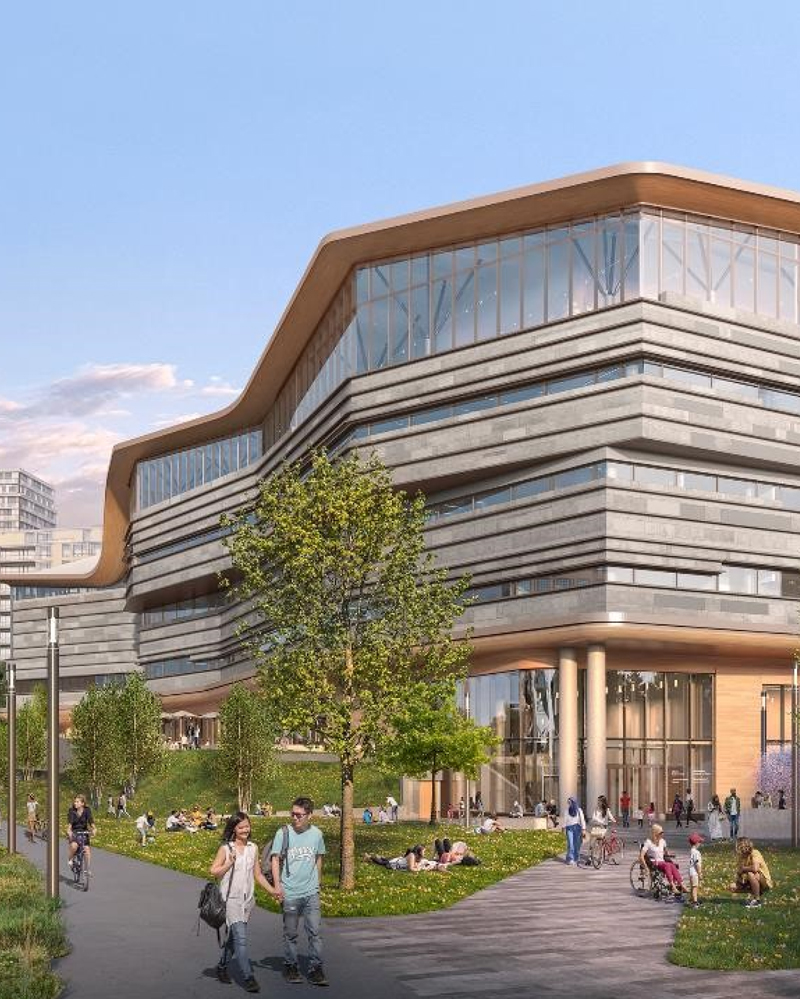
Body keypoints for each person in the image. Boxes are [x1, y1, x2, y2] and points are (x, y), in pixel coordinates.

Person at [211, 811, 280, 992]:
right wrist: (229, 863)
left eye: (247, 826)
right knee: (241, 939)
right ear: (234, 828)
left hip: (248, 901)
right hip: (231, 900)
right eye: (241, 827)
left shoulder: (253, 848)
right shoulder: (226, 849)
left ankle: (222, 967)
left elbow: (257, 875)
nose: (245, 830)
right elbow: (214, 871)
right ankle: (249, 977)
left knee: (234, 938)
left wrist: (273, 891)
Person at [271, 796, 329, 987]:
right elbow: (275, 859)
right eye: (292, 814)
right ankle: (291, 966)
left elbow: (319, 858)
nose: (295, 818)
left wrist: (318, 882)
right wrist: (277, 886)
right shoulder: (283, 833)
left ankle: (315, 969)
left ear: (309, 815)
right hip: (290, 892)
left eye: (299, 815)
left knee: (315, 932)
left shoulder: (317, 834)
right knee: (291, 933)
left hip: (311, 892)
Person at [640, 823, 684, 898]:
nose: (662, 834)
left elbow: (666, 852)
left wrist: (670, 855)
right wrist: (646, 867)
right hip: (654, 862)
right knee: (668, 865)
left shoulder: (662, 841)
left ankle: (681, 885)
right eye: (661, 833)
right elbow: (641, 856)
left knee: (671, 865)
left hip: (662, 862)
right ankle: (673, 886)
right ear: (655, 833)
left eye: (662, 832)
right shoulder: (648, 842)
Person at [729, 836, 773, 908]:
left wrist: (743, 869)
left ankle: (757, 901)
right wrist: (740, 879)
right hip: (749, 880)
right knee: (732, 887)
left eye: (739, 847)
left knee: (751, 874)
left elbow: (755, 868)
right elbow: (739, 872)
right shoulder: (741, 858)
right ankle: (756, 893)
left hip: (764, 880)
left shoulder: (755, 853)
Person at [67, 794, 97, 874]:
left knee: (87, 849)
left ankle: (87, 869)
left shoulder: (87, 810)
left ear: (82, 803)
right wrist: (69, 831)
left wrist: (94, 828)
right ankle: (70, 859)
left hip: (84, 832)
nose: (75, 803)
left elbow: (90, 820)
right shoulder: (72, 811)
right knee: (74, 846)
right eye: (75, 802)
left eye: (77, 802)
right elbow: (70, 823)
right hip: (75, 832)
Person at [563, 797, 586, 866]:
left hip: (577, 828)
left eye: (570, 802)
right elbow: (565, 820)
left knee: (577, 844)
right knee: (570, 844)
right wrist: (563, 827)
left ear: (573, 802)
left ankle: (576, 858)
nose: (568, 804)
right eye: (568, 802)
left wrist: (584, 829)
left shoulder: (579, 810)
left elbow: (582, 820)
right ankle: (570, 859)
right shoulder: (567, 810)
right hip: (569, 828)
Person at [687, 832, 704, 908]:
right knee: (695, 887)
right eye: (699, 842)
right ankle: (695, 902)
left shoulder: (691, 851)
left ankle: (692, 899)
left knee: (692, 887)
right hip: (694, 872)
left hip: (691, 872)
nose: (700, 843)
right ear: (696, 843)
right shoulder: (696, 852)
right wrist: (699, 873)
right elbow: (697, 863)